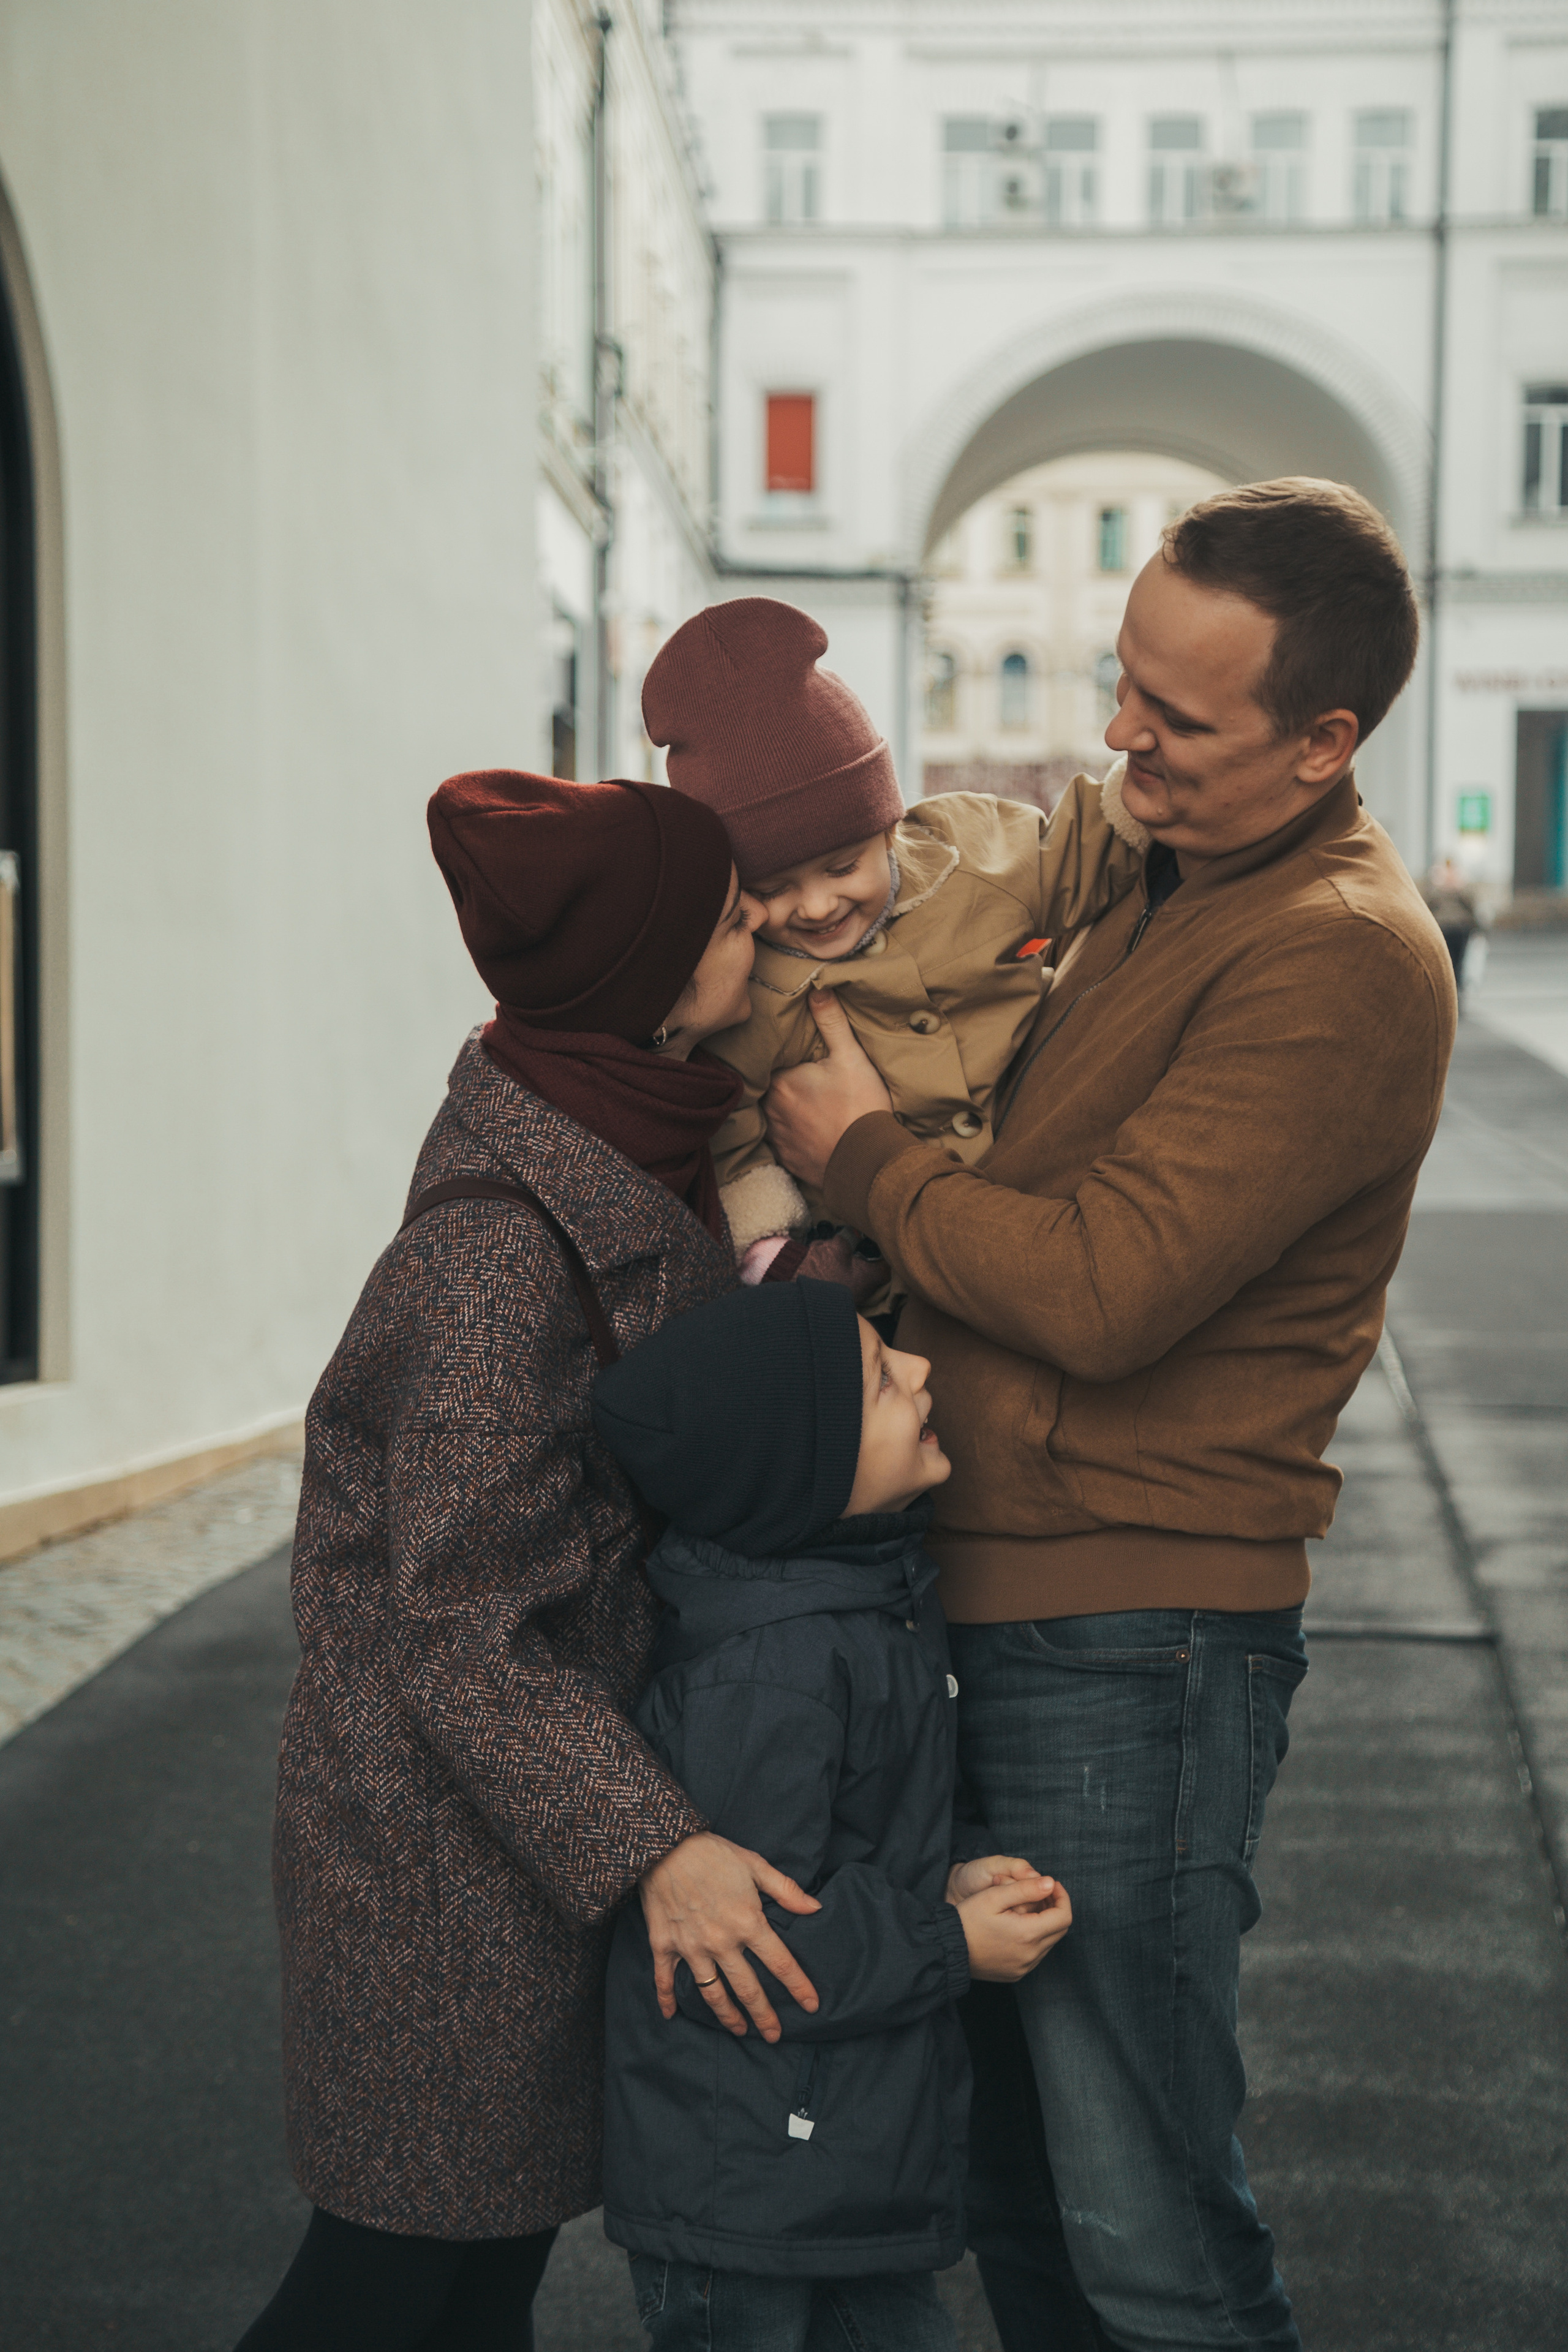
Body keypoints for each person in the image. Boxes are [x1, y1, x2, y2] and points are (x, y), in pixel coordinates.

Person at [759, 479, 1459, 2352]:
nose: (1118, 735)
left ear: (1324, 739)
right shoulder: (1166, 869)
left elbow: (1103, 1284)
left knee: (1143, 2210)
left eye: (1176, 713)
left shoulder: (1338, 947)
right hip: (992, 1600)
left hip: (1132, 1637)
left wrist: (866, 1160)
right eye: (1122, 679)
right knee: (1011, 2188)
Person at [238, 770, 830, 2352]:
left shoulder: (621, 1138)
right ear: (638, 980)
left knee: (470, 2281)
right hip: (434, 1865)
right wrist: (656, 1849)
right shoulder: (504, 1251)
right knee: (387, 2287)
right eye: (722, 919)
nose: (758, 924)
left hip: (501, 1847)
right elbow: (463, 1629)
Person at [589, 1281, 1072, 2351]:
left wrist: (953, 1871)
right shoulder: (775, 1672)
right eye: (882, 1382)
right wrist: (950, 1942)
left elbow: (858, 1841)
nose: (922, 1375)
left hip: (834, 2166)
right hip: (747, 2190)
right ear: (806, 1476)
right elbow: (752, 1943)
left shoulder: (868, 1602)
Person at [642, 597, 1146, 1281]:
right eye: (772, 888)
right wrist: (773, 1249)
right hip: (877, 1256)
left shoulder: (971, 861)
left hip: (1040, 1197)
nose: (816, 905)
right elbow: (732, 1131)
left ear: (887, 827)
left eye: (843, 866)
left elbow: (1079, 850)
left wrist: (1149, 789)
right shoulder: (752, 988)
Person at [1422, 853, 1482, 998]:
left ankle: (1455, 992)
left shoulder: (1458, 884)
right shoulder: (1437, 884)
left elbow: (1470, 905)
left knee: (1456, 962)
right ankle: (1451, 992)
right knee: (1448, 963)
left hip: (1457, 929)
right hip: (1447, 929)